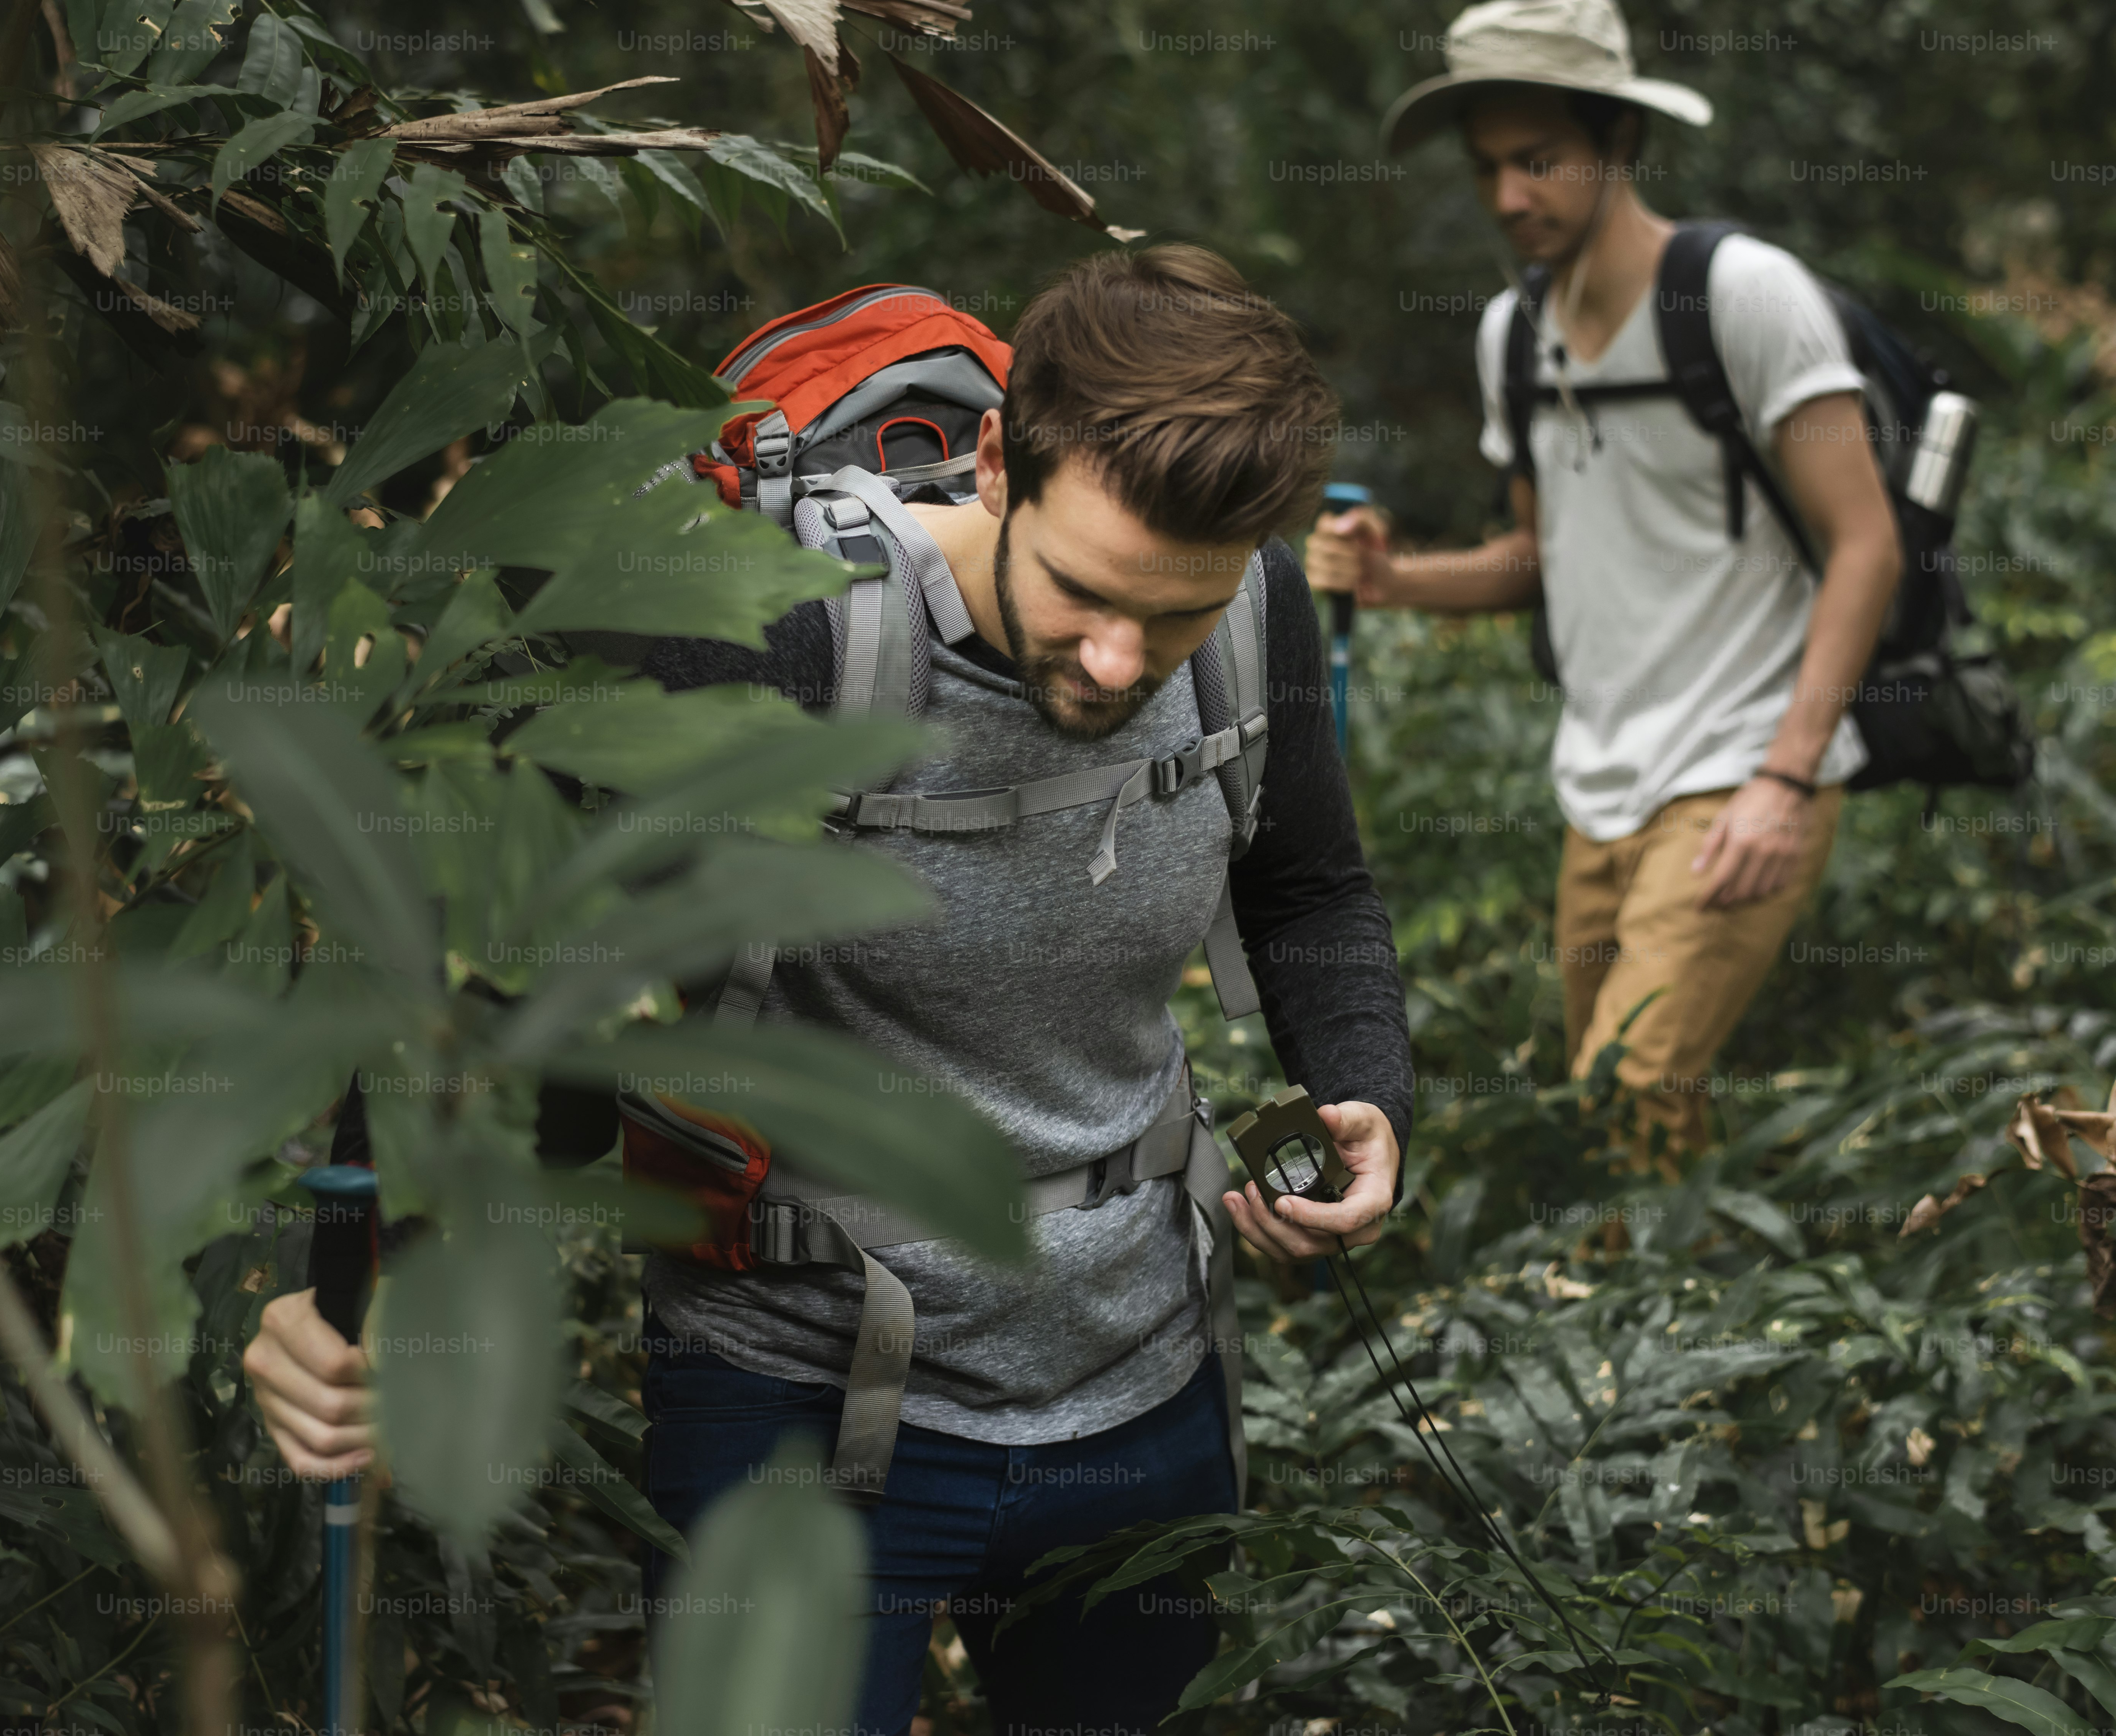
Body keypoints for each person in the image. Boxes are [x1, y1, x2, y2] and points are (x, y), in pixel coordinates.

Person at [246, 244, 1415, 1734]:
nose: (1120, 661)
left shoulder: (1256, 618)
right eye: (1081, 592)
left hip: (1138, 1381)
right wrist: (363, 1280)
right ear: (997, 461)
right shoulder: (773, 638)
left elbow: (1308, 887)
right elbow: (505, 967)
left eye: (1171, 617)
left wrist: (1359, 1078)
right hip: (794, 1392)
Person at [1309, 0, 1902, 1160]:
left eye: (1540, 161)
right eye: (1488, 168)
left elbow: (1868, 541)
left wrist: (1784, 779)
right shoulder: (1511, 335)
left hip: (1740, 771)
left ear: (1620, 144)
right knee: (1609, 1124)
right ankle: (1689, 1315)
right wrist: (1392, 581)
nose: (1508, 197)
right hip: (1600, 786)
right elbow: (1539, 558)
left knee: (1625, 1096)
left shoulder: (1745, 294)